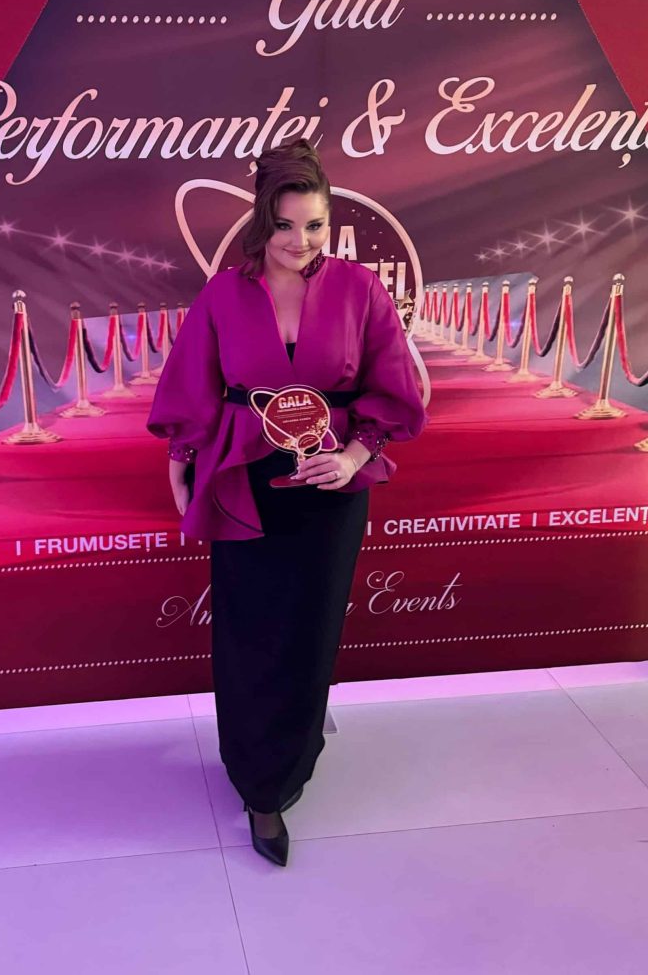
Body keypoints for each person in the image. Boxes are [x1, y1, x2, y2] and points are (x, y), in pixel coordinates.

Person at [147, 139, 427, 866]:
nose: (300, 243)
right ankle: (259, 784)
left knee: (310, 629)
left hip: (330, 483)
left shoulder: (361, 290)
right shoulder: (224, 295)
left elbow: (394, 387)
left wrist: (356, 455)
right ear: (259, 225)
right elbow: (192, 389)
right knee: (249, 630)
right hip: (245, 479)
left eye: (315, 227)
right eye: (285, 226)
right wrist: (180, 462)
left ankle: (294, 754)